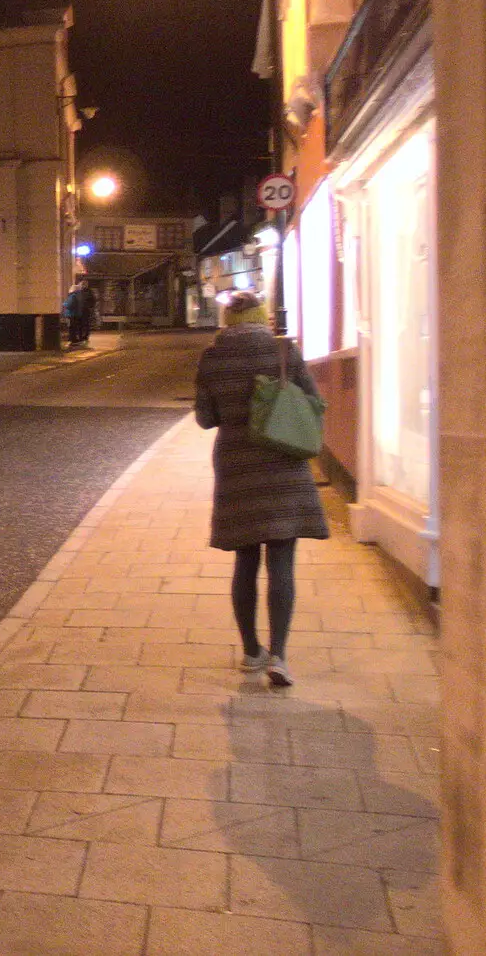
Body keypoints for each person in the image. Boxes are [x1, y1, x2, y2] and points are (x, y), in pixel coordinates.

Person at [193, 291, 328, 686]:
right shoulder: (284, 352)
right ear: (262, 314)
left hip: (237, 465)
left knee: (245, 560)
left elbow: (205, 418)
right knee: (282, 561)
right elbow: (314, 402)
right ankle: (280, 657)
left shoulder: (212, 357)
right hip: (283, 461)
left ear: (228, 317)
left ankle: (252, 652)